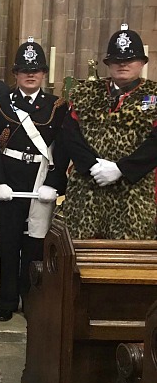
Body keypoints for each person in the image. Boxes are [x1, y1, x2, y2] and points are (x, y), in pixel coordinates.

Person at [0, 37, 69, 322]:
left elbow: (63, 147)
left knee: (34, 248)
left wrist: (54, 184)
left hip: (39, 182)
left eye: (36, 70)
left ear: (44, 74)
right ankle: (6, 300)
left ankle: (31, 299)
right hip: (8, 182)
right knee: (7, 245)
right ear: (15, 74)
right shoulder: (0, 102)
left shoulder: (57, 106)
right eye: (24, 70)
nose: (30, 75)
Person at [63, 23, 157, 240]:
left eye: (129, 59)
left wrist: (121, 169)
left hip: (134, 193)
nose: (122, 64)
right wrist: (92, 166)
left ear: (142, 62)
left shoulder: (154, 95)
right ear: (108, 63)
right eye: (116, 60)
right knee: (80, 258)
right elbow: (69, 134)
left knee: (127, 261)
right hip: (87, 190)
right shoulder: (85, 92)